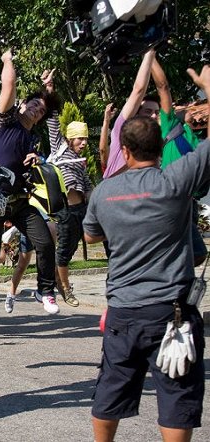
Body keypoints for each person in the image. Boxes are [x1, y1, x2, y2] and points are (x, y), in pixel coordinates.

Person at [83, 65, 210, 440]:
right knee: (176, 396)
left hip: (122, 311)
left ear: (124, 150)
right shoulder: (176, 179)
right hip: (171, 312)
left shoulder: (104, 191)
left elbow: (90, 238)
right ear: (160, 147)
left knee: (110, 390)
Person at [0, 52, 60, 315]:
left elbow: (41, 159)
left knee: (45, 242)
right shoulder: (6, 120)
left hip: (19, 201)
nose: (37, 110)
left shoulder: (32, 138)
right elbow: (9, 86)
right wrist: (7, 59)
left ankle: (45, 290)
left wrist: (38, 159)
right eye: (34, 104)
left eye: (41, 110)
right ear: (23, 105)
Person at [151, 56, 208, 266]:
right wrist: (149, 54)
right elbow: (162, 86)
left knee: (196, 254)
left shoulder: (195, 139)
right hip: (173, 198)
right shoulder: (169, 125)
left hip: (190, 202)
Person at [45, 71, 93, 308]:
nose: (84, 143)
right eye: (80, 139)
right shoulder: (60, 149)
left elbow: (88, 186)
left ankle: (57, 277)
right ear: (70, 138)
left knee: (73, 249)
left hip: (82, 210)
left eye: (85, 139)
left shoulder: (80, 161)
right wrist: (49, 89)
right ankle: (65, 288)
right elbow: (53, 120)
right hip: (65, 212)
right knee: (64, 251)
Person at [103, 49, 157, 178]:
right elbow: (139, 90)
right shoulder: (123, 131)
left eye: (156, 112)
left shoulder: (154, 148)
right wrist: (149, 53)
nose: (154, 116)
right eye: (148, 112)